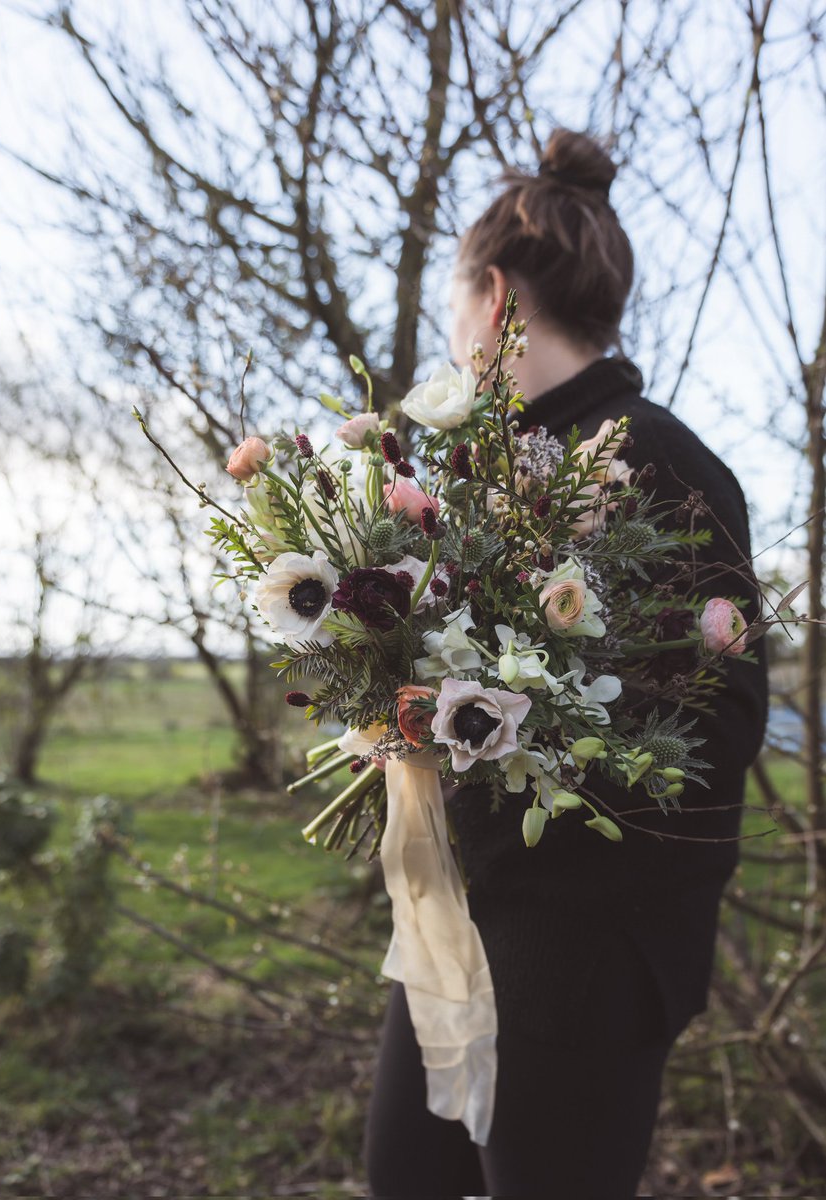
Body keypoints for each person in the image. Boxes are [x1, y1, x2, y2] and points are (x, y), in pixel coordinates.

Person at [363, 128, 769, 1198]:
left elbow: (717, 729)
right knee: (398, 1179)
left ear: (492, 295)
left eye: (457, 304)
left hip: (582, 965)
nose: (454, 334)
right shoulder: (478, 477)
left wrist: (504, 725)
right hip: (456, 931)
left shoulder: (660, 460)